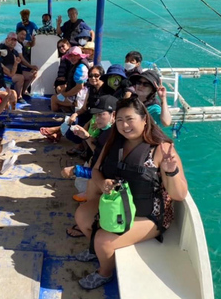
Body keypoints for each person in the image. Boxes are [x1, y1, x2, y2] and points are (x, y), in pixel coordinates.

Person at [73, 95, 188, 289]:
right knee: (82, 215)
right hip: (120, 207)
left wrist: (172, 171)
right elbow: (96, 170)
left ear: (144, 120)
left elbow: (179, 195)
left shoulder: (161, 149)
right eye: (119, 120)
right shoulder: (114, 142)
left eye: (130, 119)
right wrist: (103, 184)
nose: (124, 125)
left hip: (150, 215)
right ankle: (96, 251)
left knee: (103, 240)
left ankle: (105, 272)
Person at [50, 47, 89, 112]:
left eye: (75, 55)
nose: (73, 58)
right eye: (71, 56)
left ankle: (58, 115)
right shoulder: (76, 65)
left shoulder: (80, 68)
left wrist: (65, 94)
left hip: (79, 98)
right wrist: (64, 88)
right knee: (59, 91)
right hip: (76, 95)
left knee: (53, 99)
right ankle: (67, 110)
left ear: (79, 56)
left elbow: (79, 87)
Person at [0, 32, 27, 104]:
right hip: (2, 75)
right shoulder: (1, 49)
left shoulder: (15, 52)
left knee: (29, 75)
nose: (13, 42)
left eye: (15, 40)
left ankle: (23, 92)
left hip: (11, 73)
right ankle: (19, 96)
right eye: (11, 39)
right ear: (6, 40)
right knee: (20, 77)